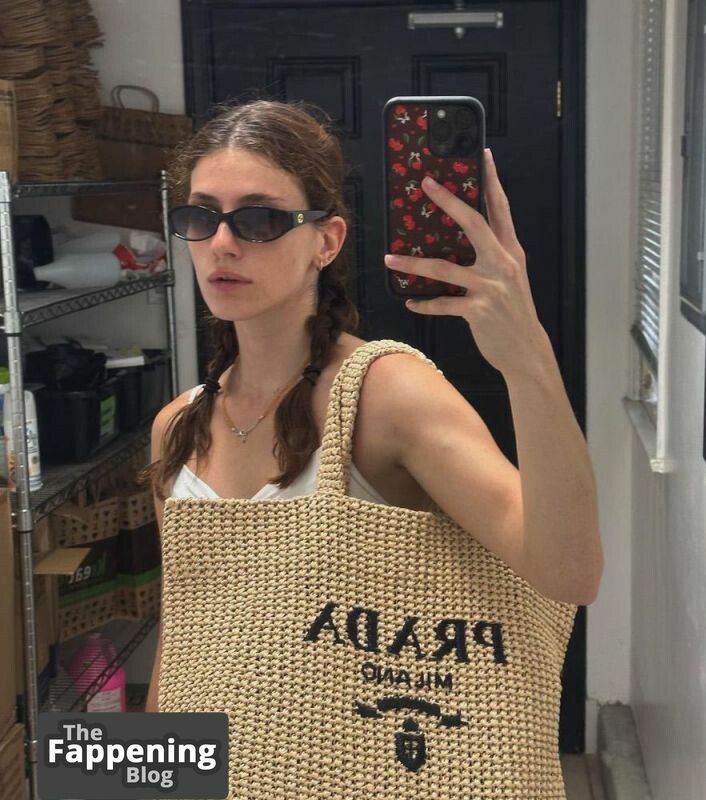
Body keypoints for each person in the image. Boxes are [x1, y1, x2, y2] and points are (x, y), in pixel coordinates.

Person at [139, 98, 603, 714]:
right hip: (222, 758)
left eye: (259, 219)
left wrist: (527, 357)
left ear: (326, 241)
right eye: (201, 216)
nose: (222, 243)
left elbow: (570, 573)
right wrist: (153, 759)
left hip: (357, 751)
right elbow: (183, 631)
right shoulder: (178, 426)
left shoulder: (385, 394)